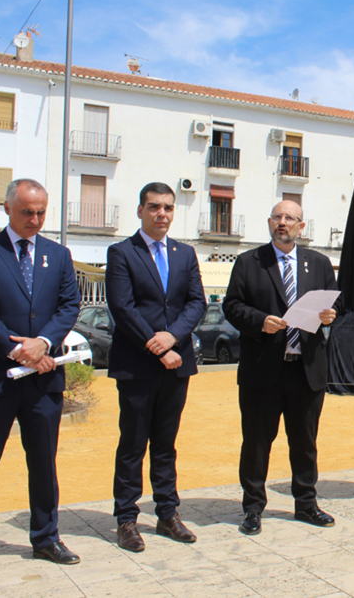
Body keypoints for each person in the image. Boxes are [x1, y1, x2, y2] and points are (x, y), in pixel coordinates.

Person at [0, 179, 82, 588]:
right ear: (8, 209)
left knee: (44, 462)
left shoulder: (58, 255)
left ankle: (45, 537)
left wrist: (43, 342)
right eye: (27, 211)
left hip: (44, 380)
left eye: (42, 211)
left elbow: (69, 306)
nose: (35, 219)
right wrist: (18, 350)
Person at [222, 200, 339, 535]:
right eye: (278, 217)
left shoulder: (318, 263)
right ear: (269, 223)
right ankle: (253, 507)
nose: (283, 223)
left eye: (290, 218)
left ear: (301, 226)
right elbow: (231, 305)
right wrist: (260, 321)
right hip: (263, 369)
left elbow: (335, 301)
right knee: (257, 442)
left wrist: (332, 315)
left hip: (307, 368)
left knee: (305, 441)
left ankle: (306, 504)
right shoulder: (249, 262)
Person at [105, 182, 206, 553]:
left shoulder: (184, 253)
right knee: (132, 445)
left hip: (177, 366)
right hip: (138, 366)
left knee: (166, 444)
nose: (161, 213)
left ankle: (167, 513)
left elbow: (197, 303)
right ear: (140, 211)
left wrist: (174, 337)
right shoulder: (121, 253)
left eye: (167, 207)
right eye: (153, 207)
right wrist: (159, 345)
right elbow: (122, 308)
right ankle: (126, 519)